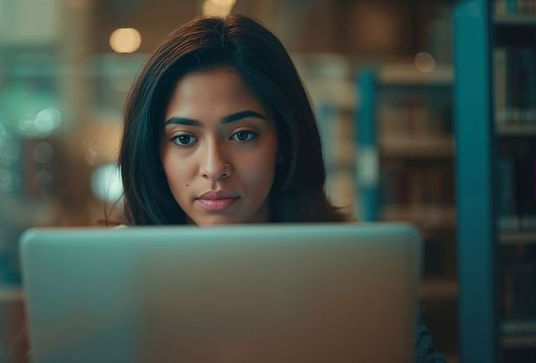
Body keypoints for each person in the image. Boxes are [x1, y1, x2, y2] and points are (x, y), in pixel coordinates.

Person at [116, 14, 446, 362]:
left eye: (243, 134)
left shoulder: (355, 271)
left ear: (284, 142)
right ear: (155, 154)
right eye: (184, 138)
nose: (214, 168)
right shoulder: (118, 275)